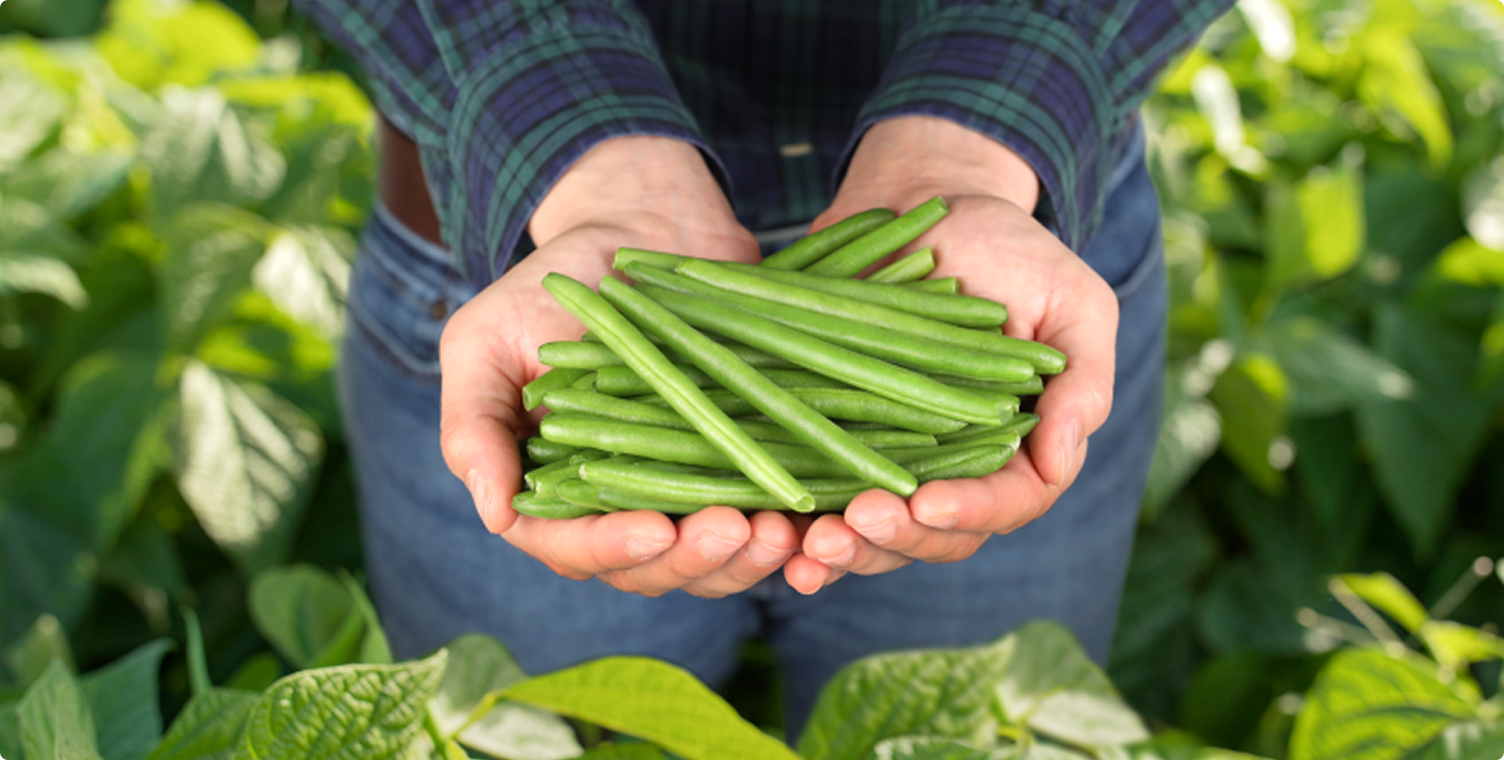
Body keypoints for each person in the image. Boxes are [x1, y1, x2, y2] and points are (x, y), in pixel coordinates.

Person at [298, 0, 1233, 736]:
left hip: (1023, 227)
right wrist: (576, 142)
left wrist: (976, 132)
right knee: (542, 732)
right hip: (518, 247)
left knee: (985, 737)